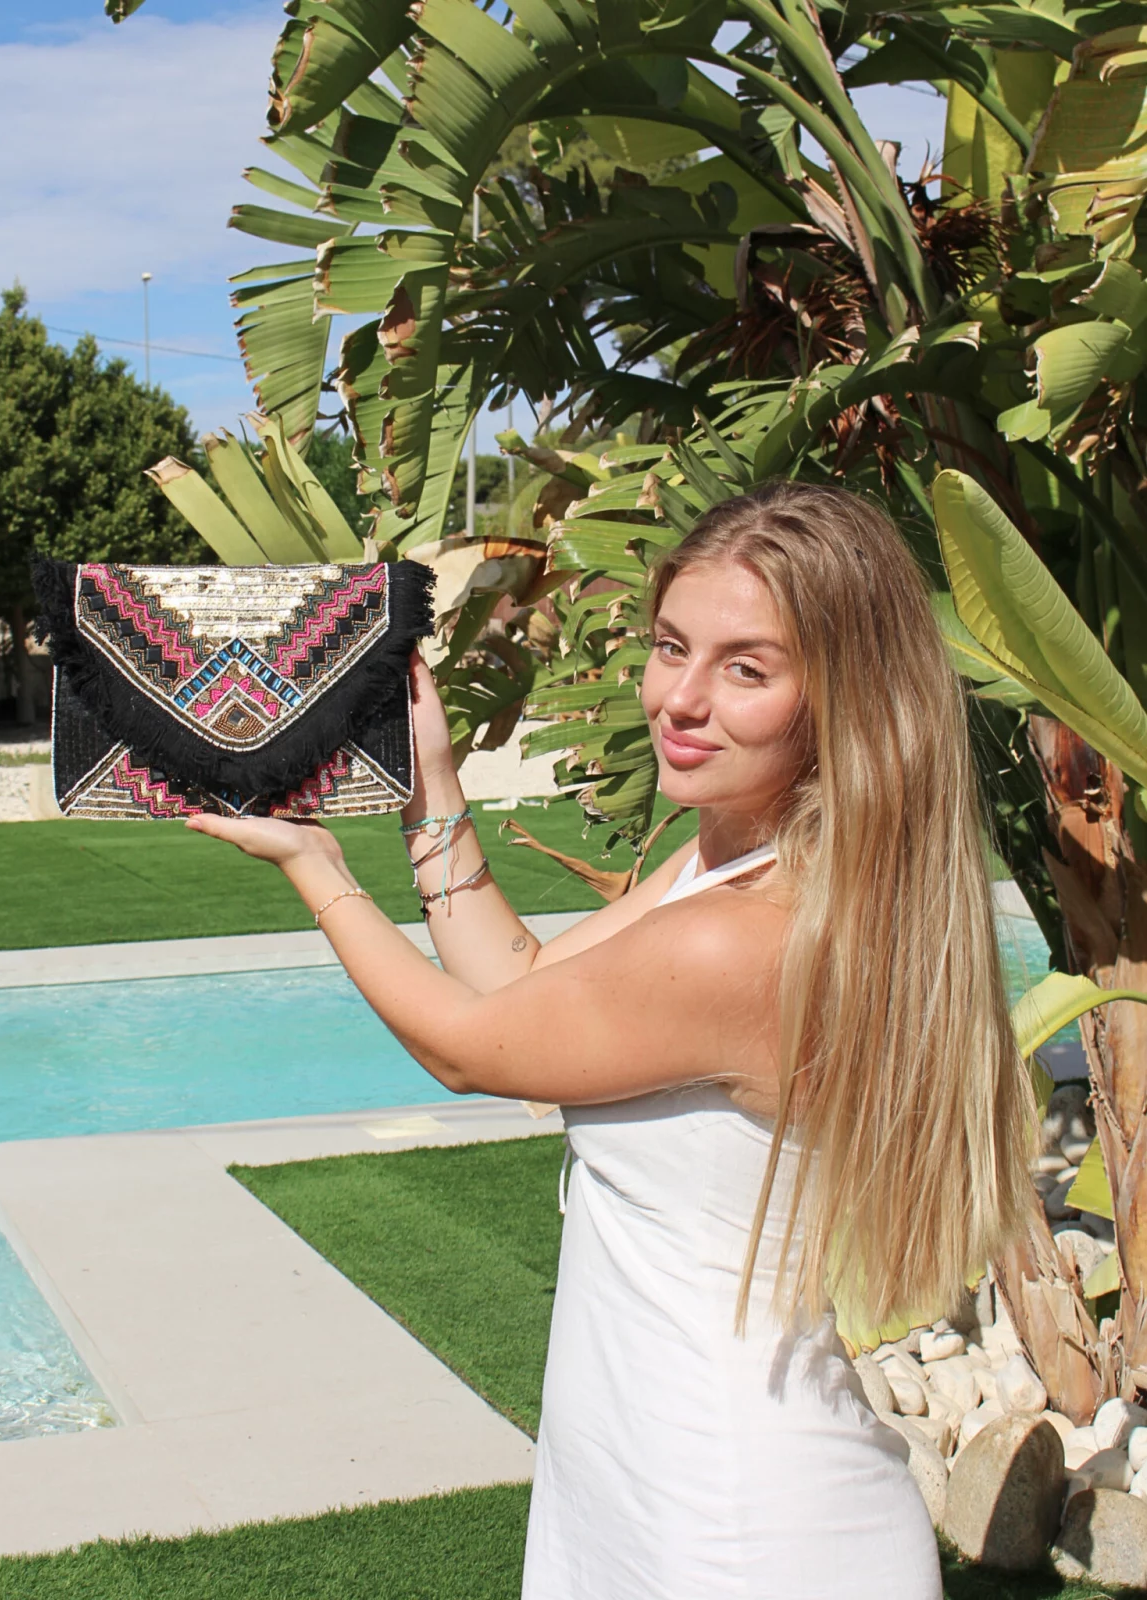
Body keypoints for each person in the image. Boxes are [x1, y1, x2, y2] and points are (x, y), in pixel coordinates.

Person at [187, 480, 1037, 1599]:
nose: (680, 698)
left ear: (844, 696)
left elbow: (469, 1048)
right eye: (671, 646)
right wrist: (430, 782)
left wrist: (317, 868)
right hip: (651, 1477)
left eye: (746, 669)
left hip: (733, 1521)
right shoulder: (737, 865)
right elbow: (522, 983)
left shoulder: (742, 940)